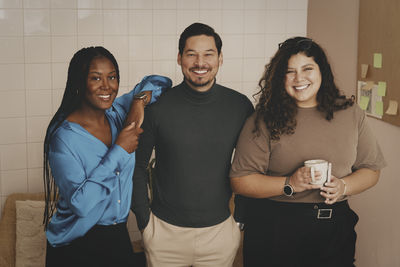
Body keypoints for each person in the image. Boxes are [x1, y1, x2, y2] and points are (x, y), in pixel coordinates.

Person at [229, 36, 386, 267]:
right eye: (290, 71)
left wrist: (344, 186)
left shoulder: (351, 114)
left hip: (334, 230)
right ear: (280, 77)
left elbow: (371, 169)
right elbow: (240, 180)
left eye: (307, 69)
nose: (299, 78)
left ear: (322, 71)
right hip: (274, 229)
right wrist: (289, 183)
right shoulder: (263, 119)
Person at [132, 23, 254, 267]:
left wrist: (239, 220)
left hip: (219, 234)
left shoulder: (240, 107)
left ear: (220, 58)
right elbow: (136, 167)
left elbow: (249, 168)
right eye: (191, 54)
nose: (201, 62)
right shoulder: (157, 107)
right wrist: (145, 223)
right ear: (179, 58)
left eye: (208, 54)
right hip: (164, 234)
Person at [43, 46, 171, 267]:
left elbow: (160, 82)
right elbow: (81, 204)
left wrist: (139, 101)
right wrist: (120, 150)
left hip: (117, 237)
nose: (106, 86)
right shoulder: (63, 138)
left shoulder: (118, 113)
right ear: (79, 83)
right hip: (75, 247)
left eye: (112, 77)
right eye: (96, 78)